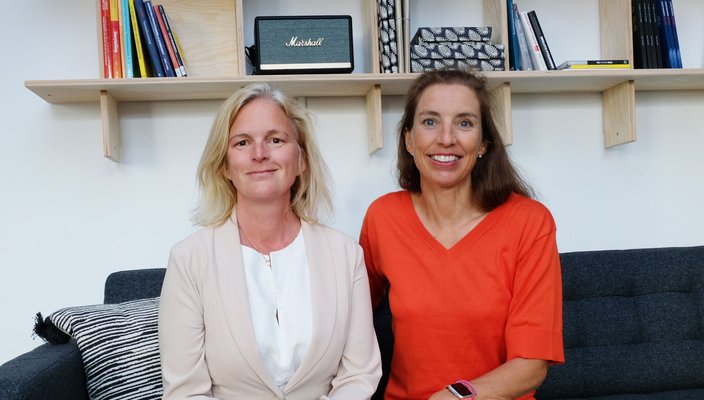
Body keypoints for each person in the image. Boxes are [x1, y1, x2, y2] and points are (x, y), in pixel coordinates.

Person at [159, 82, 382, 400]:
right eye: (242, 143)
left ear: (301, 160)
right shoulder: (189, 260)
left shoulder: (346, 255)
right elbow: (186, 392)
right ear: (224, 166)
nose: (259, 154)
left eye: (275, 140)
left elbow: (359, 375)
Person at [360, 69, 564, 400]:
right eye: (430, 122)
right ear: (409, 140)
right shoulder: (383, 217)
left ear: (483, 144)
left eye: (464, 123)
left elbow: (531, 365)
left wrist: (455, 396)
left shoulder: (530, 223)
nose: (446, 138)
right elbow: (347, 317)